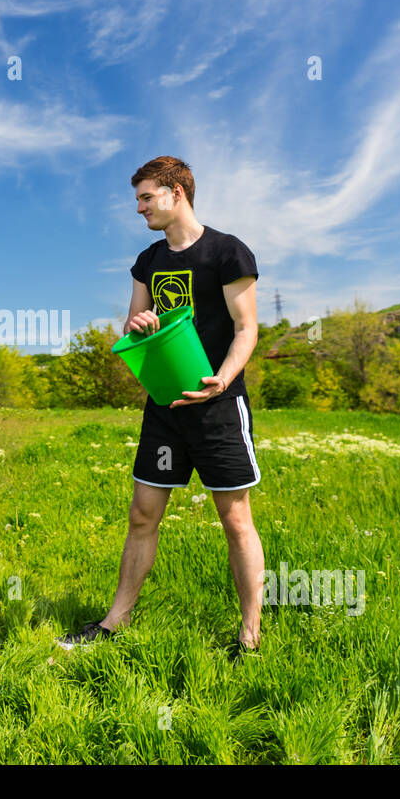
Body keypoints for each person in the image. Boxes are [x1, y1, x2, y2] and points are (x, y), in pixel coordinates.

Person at [56, 156, 264, 657]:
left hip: (217, 406)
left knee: (234, 518)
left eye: (146, 197)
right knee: (142, 515)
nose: (139, 208)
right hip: (165, 408)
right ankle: (113, 622)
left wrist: (222, 380)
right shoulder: (148, 261)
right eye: (138, 199)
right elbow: (132, 324)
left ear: (176, 192)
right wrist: (139, 325)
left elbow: (247, 328)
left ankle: (249, 635)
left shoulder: (228, 252)